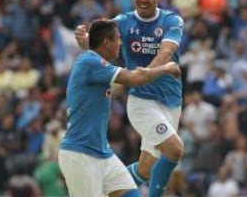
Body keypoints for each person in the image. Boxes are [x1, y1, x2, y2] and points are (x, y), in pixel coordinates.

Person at [75, 0, 185, 197]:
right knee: (174, 149)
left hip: (172, 101)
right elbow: (96, 45)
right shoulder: (122, 23)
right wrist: (83, 40)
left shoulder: (171, 20)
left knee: (145, 169)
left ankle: (106, 189)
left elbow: (167, 51)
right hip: (142, 102)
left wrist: (148, 71)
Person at [59, 19, 181, 197]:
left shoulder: (95, 63)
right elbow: (134, 79)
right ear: (106, 42)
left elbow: (123, 83)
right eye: (117, 38)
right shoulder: (90, 62)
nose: (121, 43)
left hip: (103, 153)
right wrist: (166, 68)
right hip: (80, 154)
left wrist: (88, 42)